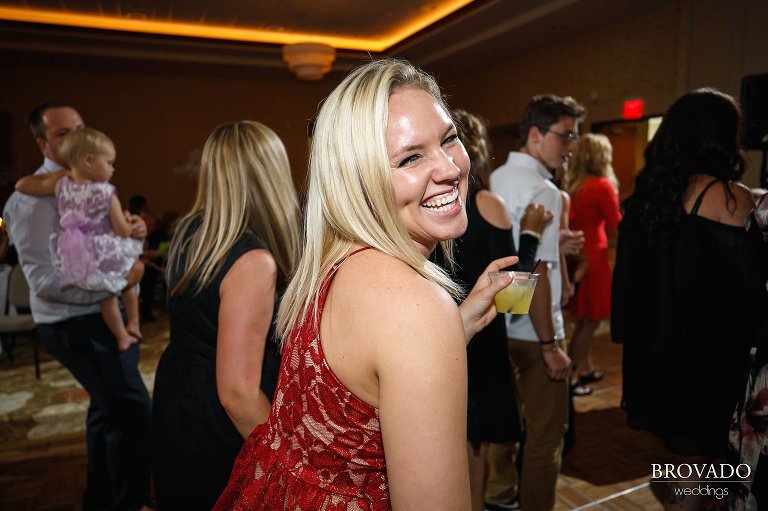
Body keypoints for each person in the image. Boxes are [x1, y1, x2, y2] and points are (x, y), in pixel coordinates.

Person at [214, 58, 519, 510]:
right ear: (358, 180)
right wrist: (433, 321)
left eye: (450, 139)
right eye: (411, 157)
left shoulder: (333, 260)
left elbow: (363, 381)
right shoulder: (414, 306)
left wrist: (459, 323)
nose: (451, 168)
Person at [611, 89, 768, 509]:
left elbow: (626, 286)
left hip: (657, 358)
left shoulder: (647, 197)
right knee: (709, 470)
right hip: (710, 361)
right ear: (722, 137)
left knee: (683, 464)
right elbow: (752, 290)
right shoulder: (730, 197)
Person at [2, 101, 151, 509]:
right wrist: (121, 280)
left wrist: (133, 228)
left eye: (80, 128)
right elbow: (44, 282)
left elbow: (113, 228)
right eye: (62, 133)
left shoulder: (91, 178)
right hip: (73, 323)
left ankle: (102, 498)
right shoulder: (34, 201)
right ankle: (129, 501)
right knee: (132, 409)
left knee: (106, 412)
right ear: (42, 144)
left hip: (104, 314)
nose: (75, 138)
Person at [151, 120, 301, 510]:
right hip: (221, 422)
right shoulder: (253, 261)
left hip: (180, 395)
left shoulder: (190, 231)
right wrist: (288, 466)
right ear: (271, 174)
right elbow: (238, 393)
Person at [487, 93, 585, 511]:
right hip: (534, 328)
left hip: (498, 321)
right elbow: (538, 274)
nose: (571, 147)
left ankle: (498, 500)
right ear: (535, 133)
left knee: (501, 432)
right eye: (565, 136)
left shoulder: (497, 179)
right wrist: (551, 344)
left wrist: (554, 242)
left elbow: (510, 250)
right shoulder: (543, 190)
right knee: (547, 438)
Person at [451, 108, 552, 511]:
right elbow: (513, 298)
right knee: (473, 464)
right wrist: (530, 235)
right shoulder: (485, 204)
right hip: (478, 342)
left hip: (438, 334)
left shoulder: (417, 208)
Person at [15, 128, 145, 351]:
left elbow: (21, 185)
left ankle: (121, 336)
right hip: (104, 252)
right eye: (109, 162)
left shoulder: (60, 185)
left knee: (107, 297)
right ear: (88, 160)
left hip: (75, 253)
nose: (112, 169)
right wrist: (131, 225)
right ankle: (133, 322)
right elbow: (122, 231)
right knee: (129, 275)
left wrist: (63, 176)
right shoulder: (106, 192)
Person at [565, 133, 621, 395]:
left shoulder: (571, 184)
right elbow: (615, 226)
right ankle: (571, 376)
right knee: (589, 321)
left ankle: (585, 368)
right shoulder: (601, 186)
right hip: (594, 258)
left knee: (583, 318)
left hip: (574, 255)